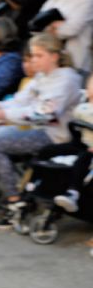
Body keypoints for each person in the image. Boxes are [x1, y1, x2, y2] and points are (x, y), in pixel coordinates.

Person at [0, 32, 82, 226]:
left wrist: (5, 115)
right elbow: (20, 100)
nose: (34, 60)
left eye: (39, 56)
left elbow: (45, 113)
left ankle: (12, 200)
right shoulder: (42, 76)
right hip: (38, 129)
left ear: (55, 56)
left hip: (56, 135)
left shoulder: (66, 79)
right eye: (33, 55)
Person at [38, 0, 93, 73]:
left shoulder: (87, 0)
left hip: (76, 65)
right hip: (51, 66)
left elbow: (70, 30)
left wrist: (51, 26)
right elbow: (38, 27)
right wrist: (58, 25)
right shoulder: (53, 0)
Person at [53, 73, 93, 212]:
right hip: (81, 143)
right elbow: (74, 125)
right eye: (90, 84)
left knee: (84, 158)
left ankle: (72, 193)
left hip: (90, 150)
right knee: (49, 151)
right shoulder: (82, 107)